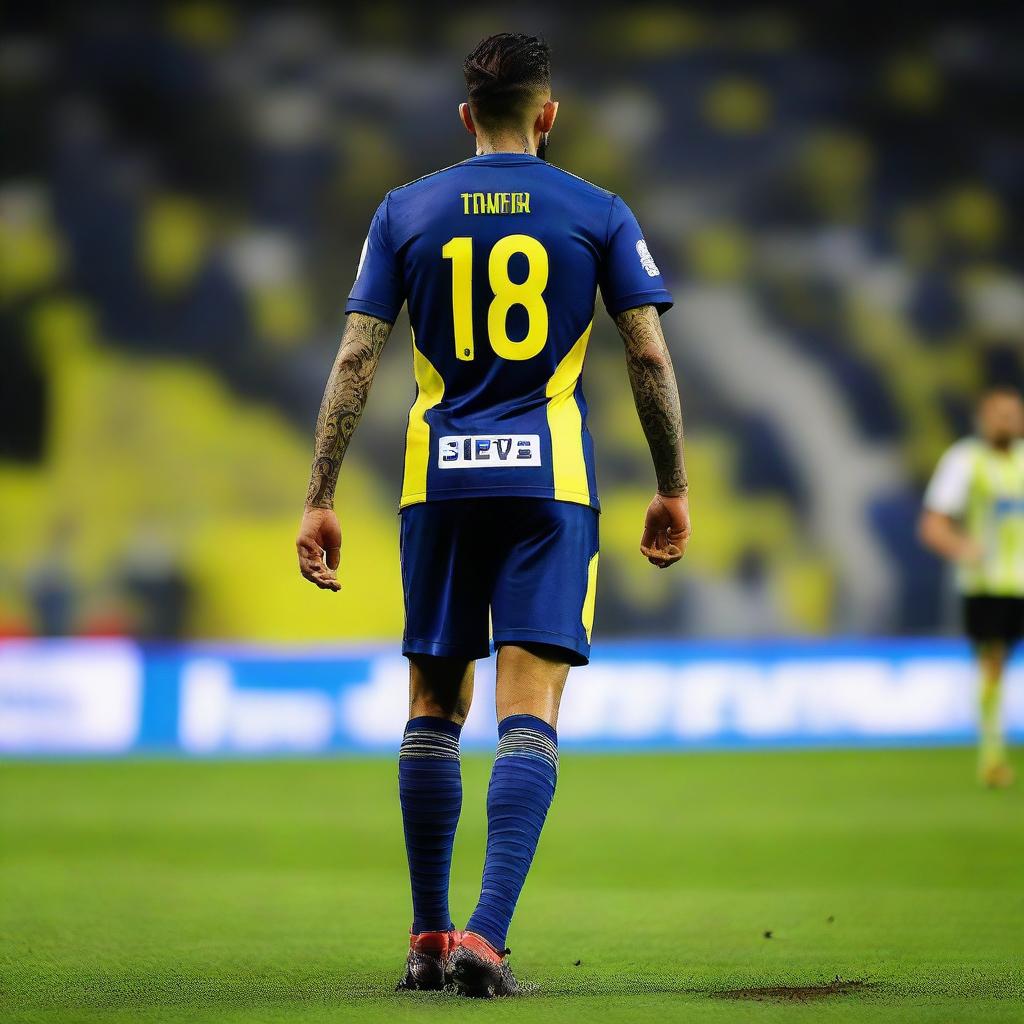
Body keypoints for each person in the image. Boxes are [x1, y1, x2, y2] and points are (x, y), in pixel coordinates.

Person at [295, 32, 690, 996]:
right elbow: (646, 356)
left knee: (433, 706)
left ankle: (429, 938)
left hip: (440, 481)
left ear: (466, 114)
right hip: (546, 485)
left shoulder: (404, 210)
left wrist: (319, 496)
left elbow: (355, 361)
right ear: (548, 115)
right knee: (529, 712)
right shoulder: (597, 211)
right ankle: (486, 937)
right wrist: (672, 481)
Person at [920, 386, 1024, 788]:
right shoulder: (965, 461)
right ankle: (992, 753)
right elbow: (932, 525)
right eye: (999, 415)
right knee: (992, 664)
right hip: (988, 584)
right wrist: (962, 547)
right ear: (983, 418)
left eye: (1013, 414)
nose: (1007, 422)